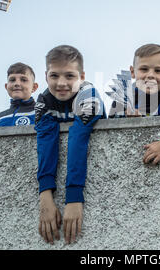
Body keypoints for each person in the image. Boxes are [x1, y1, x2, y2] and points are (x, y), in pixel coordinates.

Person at [35, 45, 105, 245]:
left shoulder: (88, 94)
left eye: (70, 76)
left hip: (80, 158)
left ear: (82, 76)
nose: (61, 83)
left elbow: (78, 135)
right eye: (54, 76)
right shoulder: (44, 99)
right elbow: (46, 140)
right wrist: (45, 195)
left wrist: (74, 197)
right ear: (46, 76)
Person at [0, 62, 38, 127]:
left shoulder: (41, 113)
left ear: (34, 87)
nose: (17, 83)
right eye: (12, 80)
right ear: (6, 87)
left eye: (23, 80)